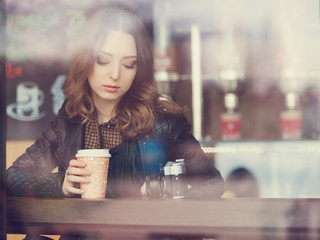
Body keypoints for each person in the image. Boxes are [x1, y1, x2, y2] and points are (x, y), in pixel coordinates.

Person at [6, 7, 224, 201]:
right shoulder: (71, 118)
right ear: (86, 60)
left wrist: (165, 190)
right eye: (103, 61)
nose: (115, 74)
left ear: (139, 70)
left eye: (129, 65)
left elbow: (212, 185)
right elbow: (12, 176)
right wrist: (61, 185)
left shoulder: (164, 123)